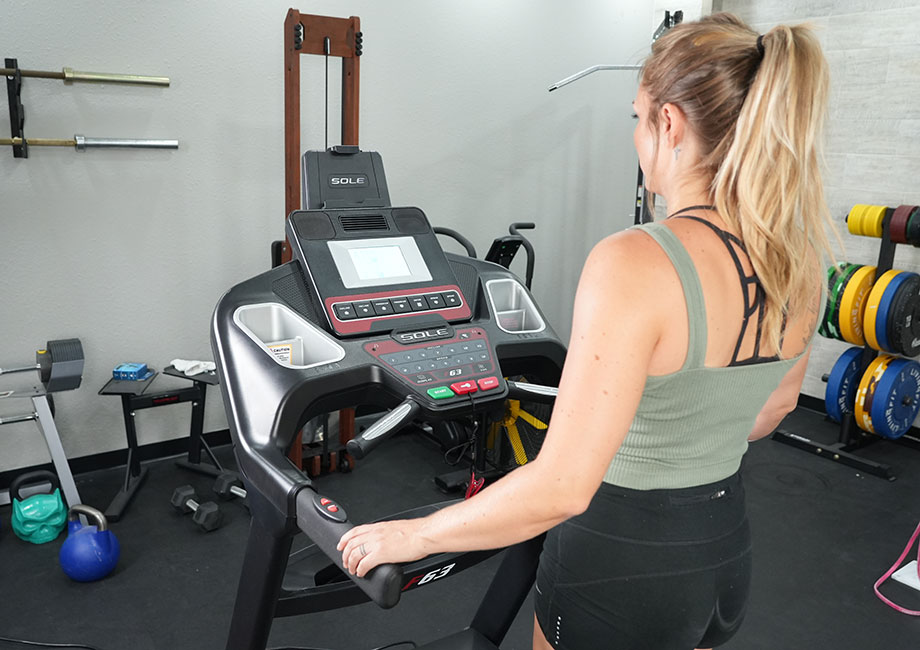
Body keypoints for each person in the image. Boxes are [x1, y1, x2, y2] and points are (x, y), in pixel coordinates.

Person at [338, 12, 835, 650]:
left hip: (621, 566)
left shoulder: (634, 261)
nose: (636, 135)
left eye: (637, 117)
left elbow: (564, 487)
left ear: (671, 124)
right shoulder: (796, 258)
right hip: (719, 558)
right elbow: (772, 408)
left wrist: (414, 535)